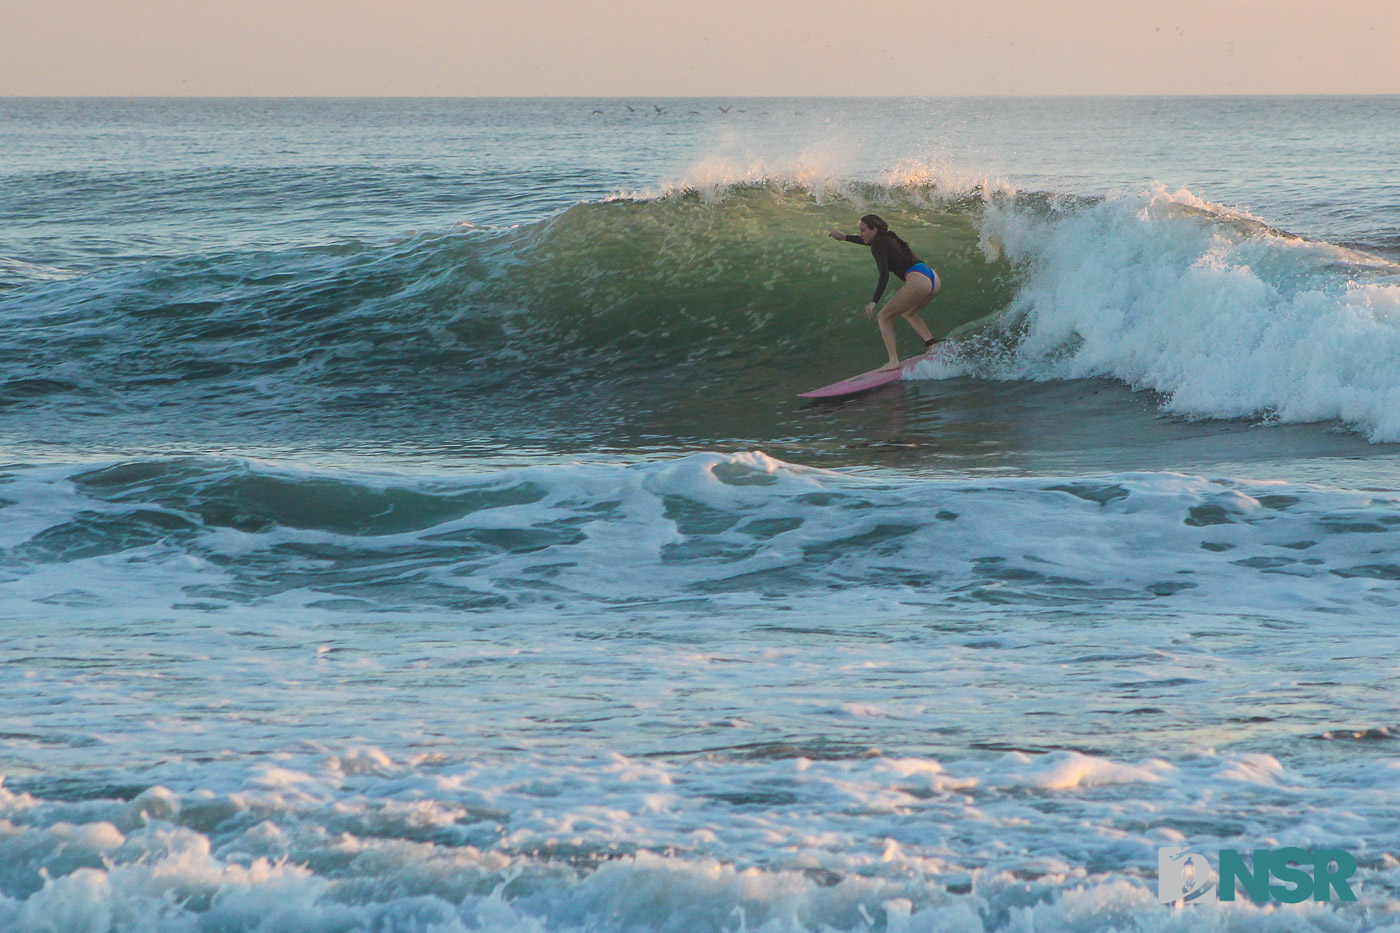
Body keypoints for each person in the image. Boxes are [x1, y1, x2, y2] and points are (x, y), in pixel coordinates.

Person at [829, 214, 941, 371]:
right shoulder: (887, 237)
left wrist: (873, 302)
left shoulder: (877, 245)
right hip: (932, 277)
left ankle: (893, 361)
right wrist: (844, 237)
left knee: (883, 317)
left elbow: (884, 274)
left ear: (874, 230)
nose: (860, 234)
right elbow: (867, 240)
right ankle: (932, 344)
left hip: (918, 281)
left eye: (862, 230)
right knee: (908, 312)